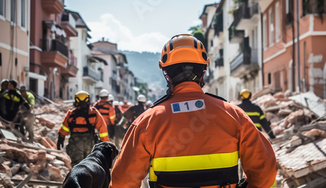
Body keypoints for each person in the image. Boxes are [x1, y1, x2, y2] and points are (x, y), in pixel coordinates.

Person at [110, 34, 277, 188]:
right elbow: (266, 172)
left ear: (166, 74)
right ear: (203, 71)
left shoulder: (147, 121)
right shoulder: (233, 114)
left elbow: (122, 182)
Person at [57, 91, 110, 166]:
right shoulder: (94, 113)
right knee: (90, 165)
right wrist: (105, 143)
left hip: (75, 144)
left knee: (77, 166)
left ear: (76, 101)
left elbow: (64, 128)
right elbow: (102, 129)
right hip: (90, 144)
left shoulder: (71, 114)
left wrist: (60, 138)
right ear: (88, 100)